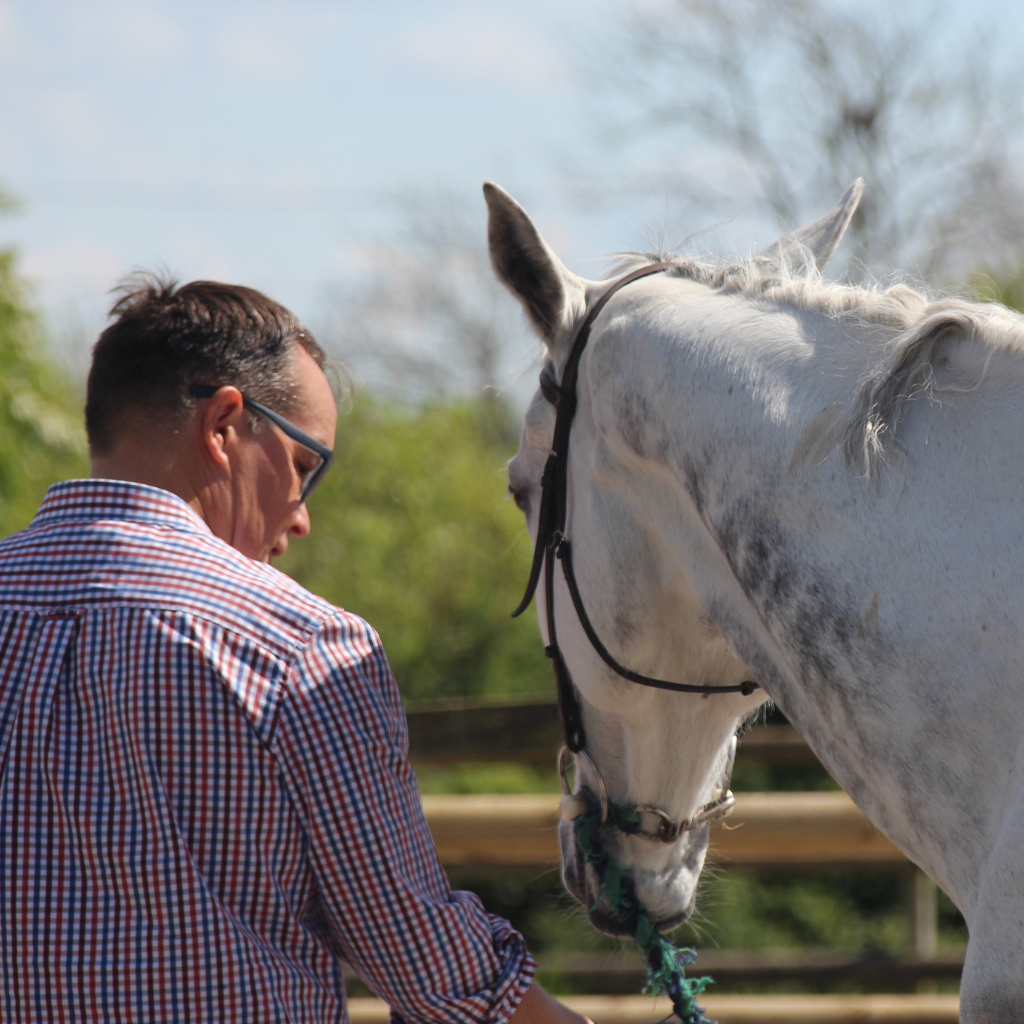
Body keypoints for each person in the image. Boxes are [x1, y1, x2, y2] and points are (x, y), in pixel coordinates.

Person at [0, 276, 589, 1024]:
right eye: (307, 466)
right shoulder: (303, 647)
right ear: (223, 426)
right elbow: (424, 960)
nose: (302, 519)